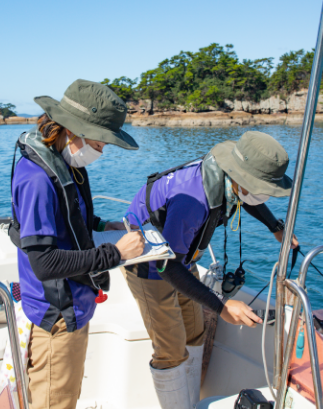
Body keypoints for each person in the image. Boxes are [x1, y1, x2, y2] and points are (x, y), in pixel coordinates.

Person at [122, 131, 299, 409]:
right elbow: (167, 266)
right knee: (171, 350)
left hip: (181, 257)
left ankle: (189, 401)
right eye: (263, 186)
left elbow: (248, 198)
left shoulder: (230, 179)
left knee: (194, 332)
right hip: (151, 263)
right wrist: (222, 306)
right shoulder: (191, 200)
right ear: (241, 176)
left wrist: (276, 227)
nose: (266, 193)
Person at [9, 79, 146, 409]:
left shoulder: (66, 162)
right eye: (101, 141)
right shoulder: (37, 179)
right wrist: (115, 253)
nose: (102, 150)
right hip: (58, 316)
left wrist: (102, 225)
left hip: (75, 307)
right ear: (73, 130)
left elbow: (69, 219)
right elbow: (44, 264)